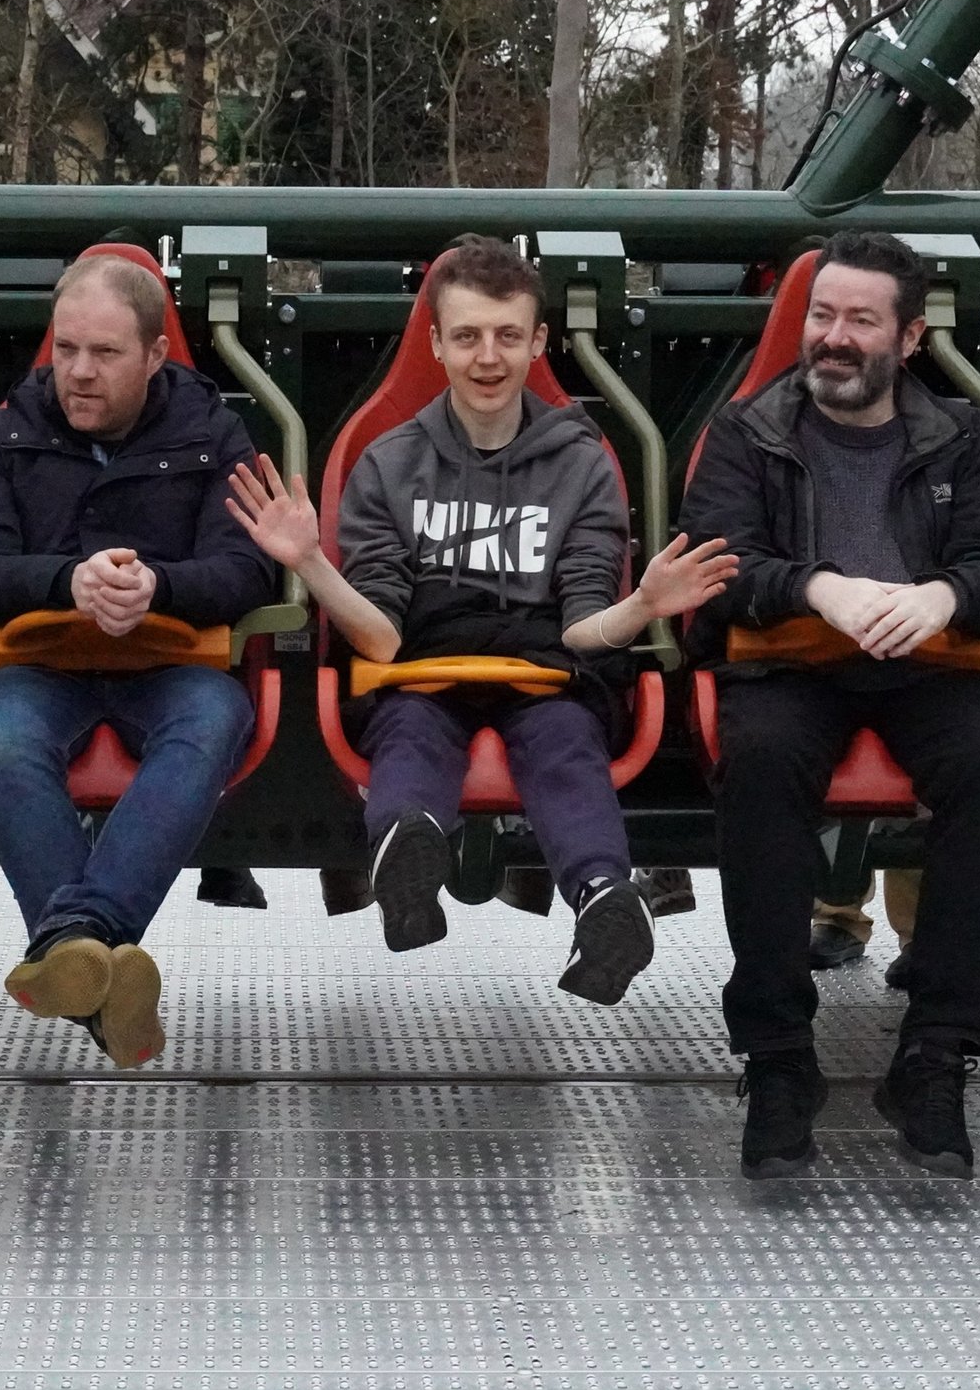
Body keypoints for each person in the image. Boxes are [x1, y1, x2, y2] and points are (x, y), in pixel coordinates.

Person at [227, 233, 737, 1004]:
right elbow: (382, 637)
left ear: (539, 341)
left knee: (566, 742)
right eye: (466, 336)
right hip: (422, 663)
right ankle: (408, 858)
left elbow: (581, 630)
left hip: (547, 670)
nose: (487, 357)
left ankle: (603, 897)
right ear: (435, 342)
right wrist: (309, 563)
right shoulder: (390, 462)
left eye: (507, 336)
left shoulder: (581, 461)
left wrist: (643, 605)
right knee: (408, 727)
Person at [681, 228, 980, 1180]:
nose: (834, 338)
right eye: (822, 316)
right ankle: (777, 1053)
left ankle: (937, 1046)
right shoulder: (749, 431)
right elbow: (714, 566)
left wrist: (940, 597)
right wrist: (815, 586)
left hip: (927, 663)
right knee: (758, 761)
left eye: (860, 321)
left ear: (910, 338)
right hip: (790, 660)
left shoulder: (967, 436)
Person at [0, 251, 277, 1068]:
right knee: (2, 733)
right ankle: (96, 961)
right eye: (65, 350)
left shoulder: (214, 434)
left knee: (212, 718)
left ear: (156, 356)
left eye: (104, 353)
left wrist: (158, 586)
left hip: (170, 664)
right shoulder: (4, 432)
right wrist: (68, 581)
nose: (78, 373)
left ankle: (73, 940)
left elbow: (248, 570)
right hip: (39, 663)